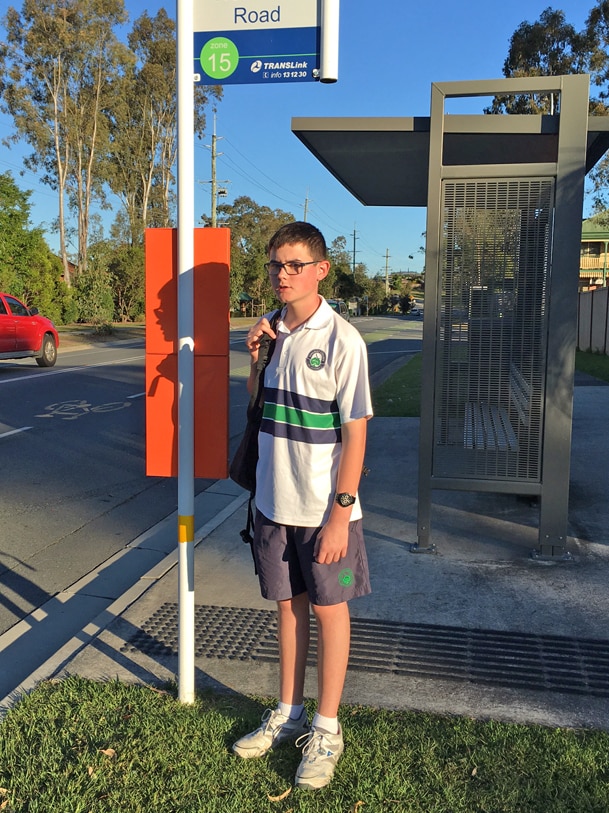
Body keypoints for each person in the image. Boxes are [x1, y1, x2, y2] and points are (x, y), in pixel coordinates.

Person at [232, 222, 373, 790]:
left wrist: (341, 514)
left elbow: (356, 435)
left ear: (321, 270)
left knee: (330, 611)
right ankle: (287, 713)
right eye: (274, 265)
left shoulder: (343, 340)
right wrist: (253, 361)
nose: (282, 275)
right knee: (287, 609)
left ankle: (327, 728)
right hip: (273, 504)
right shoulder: (272, 335)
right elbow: (258, 410)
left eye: (294, 265)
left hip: (326, 516)